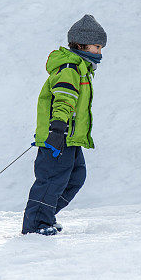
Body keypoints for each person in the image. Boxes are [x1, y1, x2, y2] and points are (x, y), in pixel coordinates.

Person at [21, 14, 106, 235]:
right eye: (96, 46)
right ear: (80, 44)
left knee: (76, 178)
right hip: (58, 136)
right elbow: (64, 99)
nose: (99, 51)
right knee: (51, 180)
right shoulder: (70, 68)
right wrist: (57, 129)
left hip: (70, 139)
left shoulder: (82, 69)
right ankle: (36, 225)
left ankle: (44, 215)